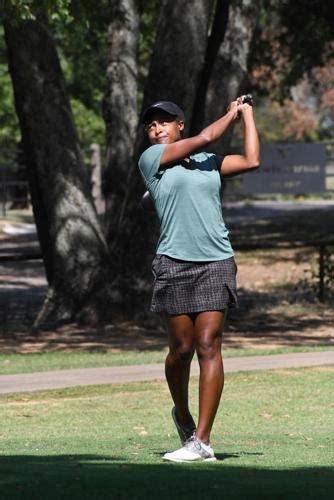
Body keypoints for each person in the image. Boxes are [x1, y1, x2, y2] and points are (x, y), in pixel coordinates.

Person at [138, 96, 260, 462]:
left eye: (165, 122)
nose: (157, 128)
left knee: (209, 344)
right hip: (173, 263)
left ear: (180, 126)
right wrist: (230, 113)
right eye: (151, 124)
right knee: (181, 350)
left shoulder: (209, 164)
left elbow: (252, 160)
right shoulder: (151, 160)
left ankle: (201, 441)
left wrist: (248, 115)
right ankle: (183, 414)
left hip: (216, 261)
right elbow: (207, 137)